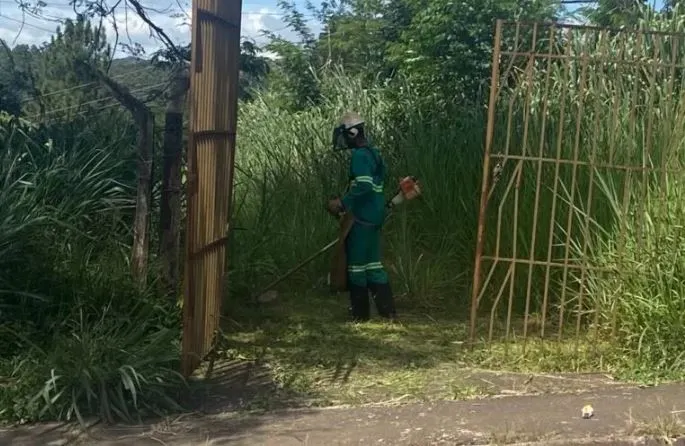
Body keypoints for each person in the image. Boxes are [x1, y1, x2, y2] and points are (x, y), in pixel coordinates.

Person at [327, 112, 397, 322]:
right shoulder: (374, 153)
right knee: (374, 264)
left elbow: (364, 185)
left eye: (344, 135)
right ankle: (388, 311)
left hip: (361, 219)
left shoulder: (359, 156)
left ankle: (360, 314)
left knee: (357, 266)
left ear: (352, 133)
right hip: (375, 217)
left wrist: (343, 203)